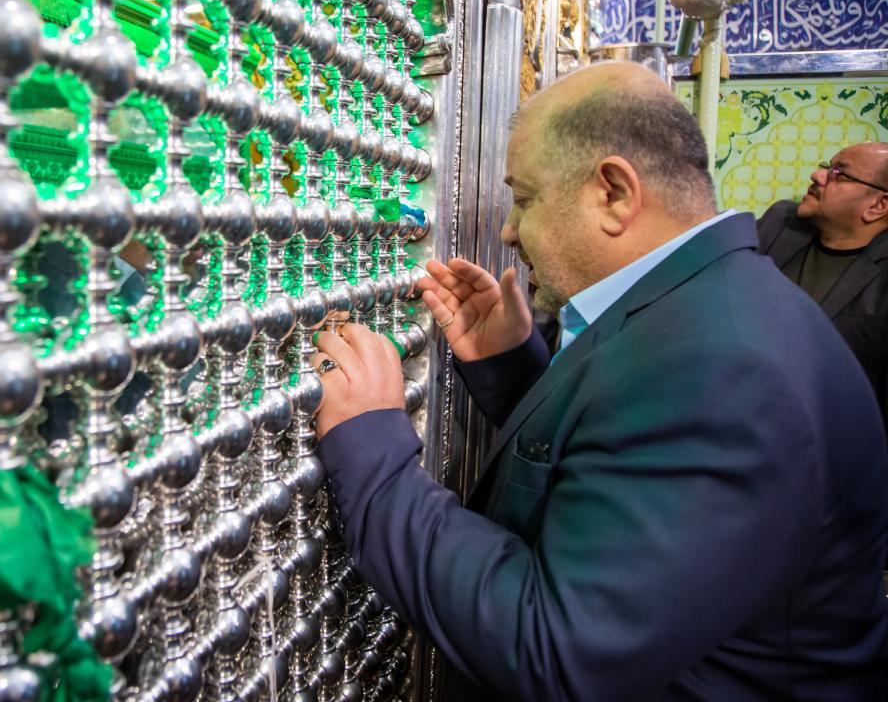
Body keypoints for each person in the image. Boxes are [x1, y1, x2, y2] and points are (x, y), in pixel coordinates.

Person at [308, 62, 888, 701]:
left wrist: (373, 451)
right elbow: (626, 469)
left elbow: (557, 649)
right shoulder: (707, 306)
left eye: (525, 198)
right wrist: (512, 370)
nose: (509, 230)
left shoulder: (725, 368)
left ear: (614, 193)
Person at [757, 142, 888, 429]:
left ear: (878, 205)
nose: (817, 175)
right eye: (827, 166)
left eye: (840, 173)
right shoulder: (780, 223)